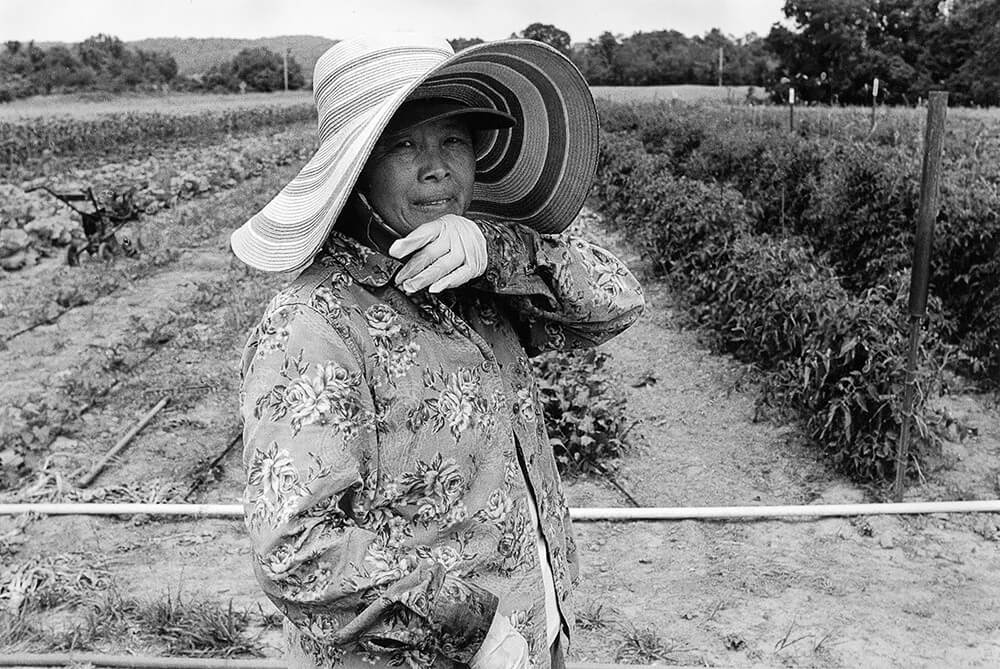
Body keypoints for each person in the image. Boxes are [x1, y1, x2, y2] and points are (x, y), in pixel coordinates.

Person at [231, 34, 644, 669]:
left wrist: (501, 249)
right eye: (403, 145)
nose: (438, 167)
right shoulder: (315, 325)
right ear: (357, 170)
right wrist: (472, 628)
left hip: (536, 623)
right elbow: (297, 550)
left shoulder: (477, 282)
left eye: (453, 140)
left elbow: (616, 303)